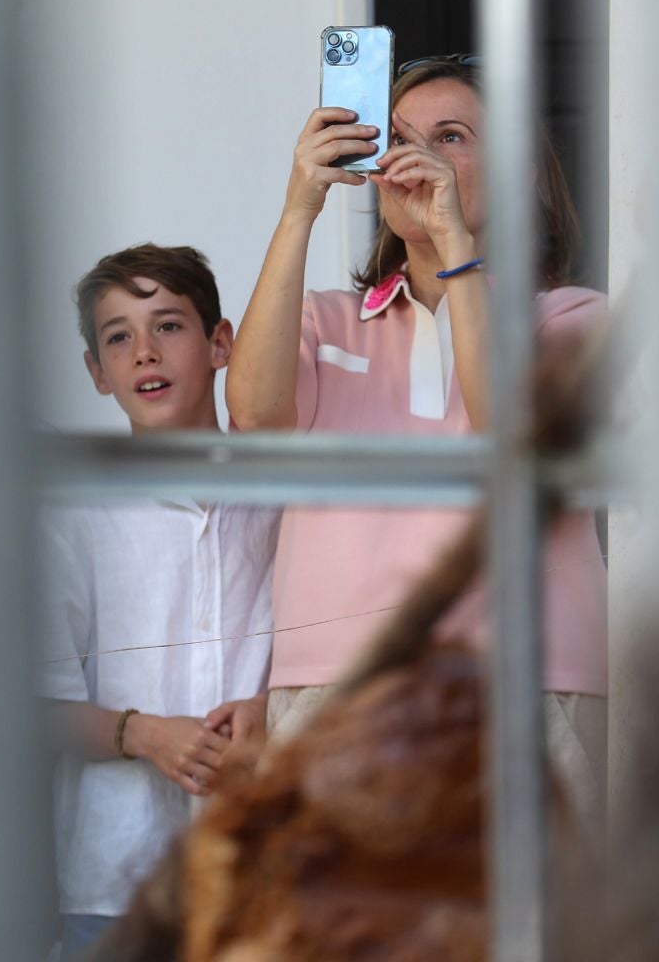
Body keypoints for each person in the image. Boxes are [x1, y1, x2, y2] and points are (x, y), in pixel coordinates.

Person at [224, 54, 609, 836]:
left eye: (451, 137)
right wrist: (299, 208)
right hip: (338, 688)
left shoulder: (576, 317)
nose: (417, 157)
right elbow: (255, 416)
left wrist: (453, 242)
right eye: (398, 136)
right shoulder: (328, 318)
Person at [39, 244, 278, 961]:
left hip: (259, 866)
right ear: (96, 372)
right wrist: (144, 735)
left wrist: (270, 710)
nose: (145, 353)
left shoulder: (283, 489)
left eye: (168, 326)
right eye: (118, 337)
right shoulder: (72, 512)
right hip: (116, 881)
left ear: (220, 344)